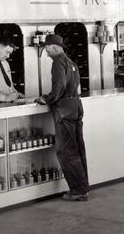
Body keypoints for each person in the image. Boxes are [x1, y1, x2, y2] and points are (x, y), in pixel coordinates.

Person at [35, 34, 89, 201]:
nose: (46, 53)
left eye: (46, 49)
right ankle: (83, 187)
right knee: (78, 148)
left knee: (66, 151)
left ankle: (77, 191)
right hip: (76, 106)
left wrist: (46, 98)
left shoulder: (58, 62)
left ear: (53, 47)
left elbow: (59, 86)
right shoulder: (71, 62)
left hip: (64, 109)